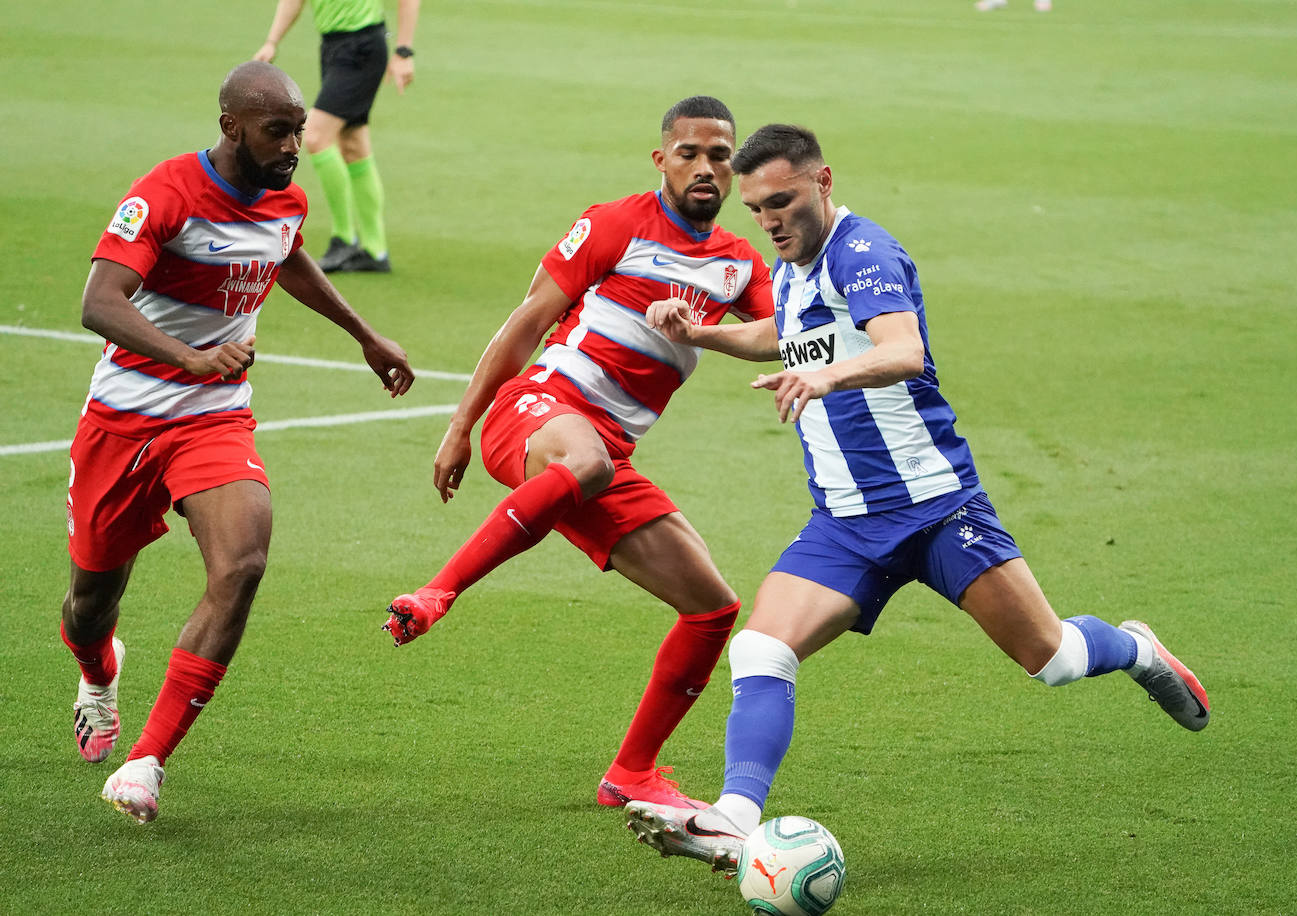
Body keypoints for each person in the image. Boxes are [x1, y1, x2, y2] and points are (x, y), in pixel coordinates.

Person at [623, 124, 1210, 872]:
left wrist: (828, 377)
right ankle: (734, 818)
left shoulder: (864, 251)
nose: (770, 220)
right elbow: (787, 332)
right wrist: (701, 333)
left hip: (936, 509)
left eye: (783, 202)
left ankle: (1136, 648)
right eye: (757, 209)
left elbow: (905, 349)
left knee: (1053, 658)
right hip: (842, 522)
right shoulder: (795, 263)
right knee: (762, 649)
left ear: (823, 182)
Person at [381, 96, 775, 810]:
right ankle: (439, 590)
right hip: (535, 412)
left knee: (712, 607)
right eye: (690, 152)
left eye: (721, 155)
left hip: (600, 458)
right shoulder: (616, 222)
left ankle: (631, 774)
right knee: (585, 462)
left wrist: (708, 334)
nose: (706, 168)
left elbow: (783, 333)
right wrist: (460, 425)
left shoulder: (738, 265)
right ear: (662, 160)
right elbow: (524, 323)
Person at [65, 60, 415, 825]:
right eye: (277, 130)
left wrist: (364, 334)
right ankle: (98, 670)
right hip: (124, 418)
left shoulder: (283, 194)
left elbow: (285, 252)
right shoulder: (166, 192)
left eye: (297, 128)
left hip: (215, 416)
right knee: (89, 604)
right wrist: (188, 356)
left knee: (244, 561)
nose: (294, 144)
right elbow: (98, 301)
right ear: (232, 127)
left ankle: (146, 762)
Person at [253, 0, 421, 273]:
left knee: (317, 135)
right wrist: (272, 41)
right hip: (333, 47)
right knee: (353, 144)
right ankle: (375, 251)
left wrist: (403, 51)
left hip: (363, 47)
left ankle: (343, 239)